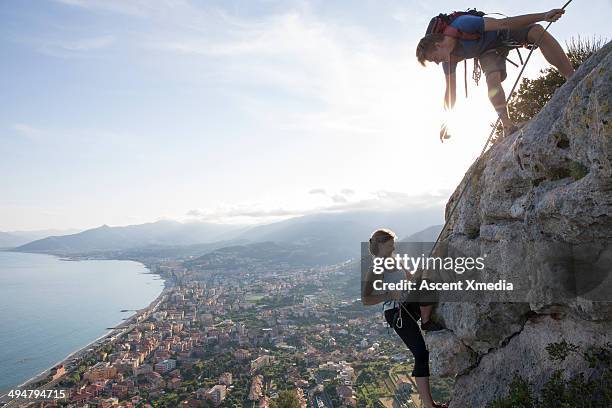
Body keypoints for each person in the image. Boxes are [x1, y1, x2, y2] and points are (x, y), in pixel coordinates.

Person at [416, 8, 575, 140]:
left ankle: (573, 77)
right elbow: (450, 92)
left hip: (499, 34)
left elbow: (504, 23)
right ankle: (507, 125)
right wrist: (446, 121)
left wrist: (543, 16)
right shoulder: (448, 61)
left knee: (536, 31)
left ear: (438, 45)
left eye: (434, 58)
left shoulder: (463, 24)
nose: (437, 62)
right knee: (492, 79)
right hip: (487, 52)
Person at [362, 228, 447, 408]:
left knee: (427, 284)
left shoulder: (398, 260)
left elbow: (411, 279)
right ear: (381, 244)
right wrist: (388, 295)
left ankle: (425, 321)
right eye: (390, 242)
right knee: (421, 354)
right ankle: (429, 405)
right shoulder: (376, 268)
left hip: (407, 304)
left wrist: (422, 270)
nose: (394, 245)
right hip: (395, 312)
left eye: (393, 242)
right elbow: (366, 299)